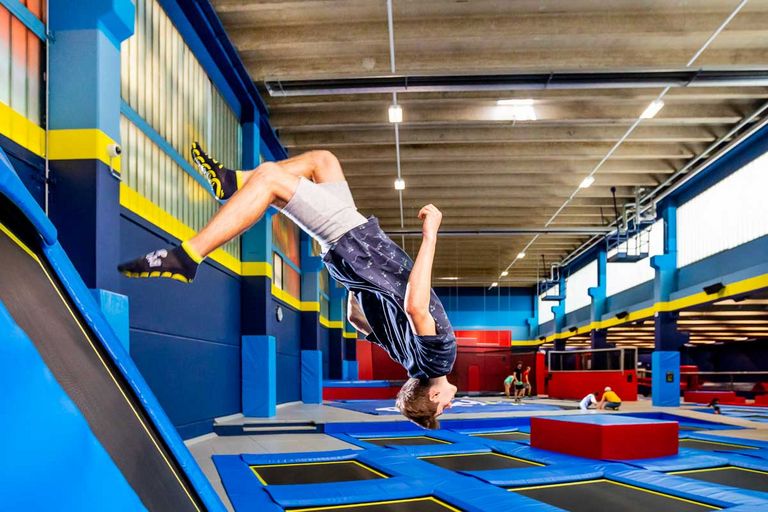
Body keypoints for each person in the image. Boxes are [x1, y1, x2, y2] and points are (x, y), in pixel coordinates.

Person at [118, 145, 458, 429]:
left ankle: (189, 255)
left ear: (432, 396)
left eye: (443, 408)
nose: (450, 405)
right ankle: (231, 182)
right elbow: (356, 318)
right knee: (322, 161)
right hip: (353, 254)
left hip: (357, 243)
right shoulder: (410, 359)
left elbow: (415, 306)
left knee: (269, 179)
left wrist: (429, 236)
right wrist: (360, 280)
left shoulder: (438, 358)